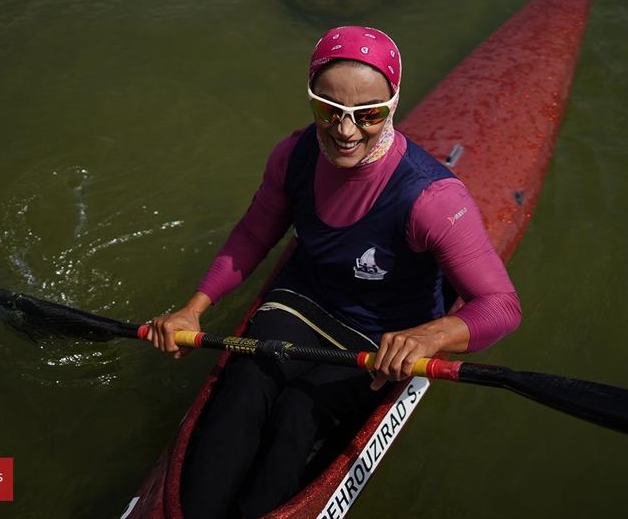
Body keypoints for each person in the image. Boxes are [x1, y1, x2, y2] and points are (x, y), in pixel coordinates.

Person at [147, 26, 521, 518]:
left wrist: (430, 336)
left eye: (367, 115)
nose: (346, 131)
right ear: (311, 100)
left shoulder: (434, 200)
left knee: (298, 413)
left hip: (380, 333)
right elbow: (254, 236)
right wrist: (193, 310)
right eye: (329, 111)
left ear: (391, 105)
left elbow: (501, 307)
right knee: (245, 387)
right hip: (300, 303)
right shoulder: (292, 155)